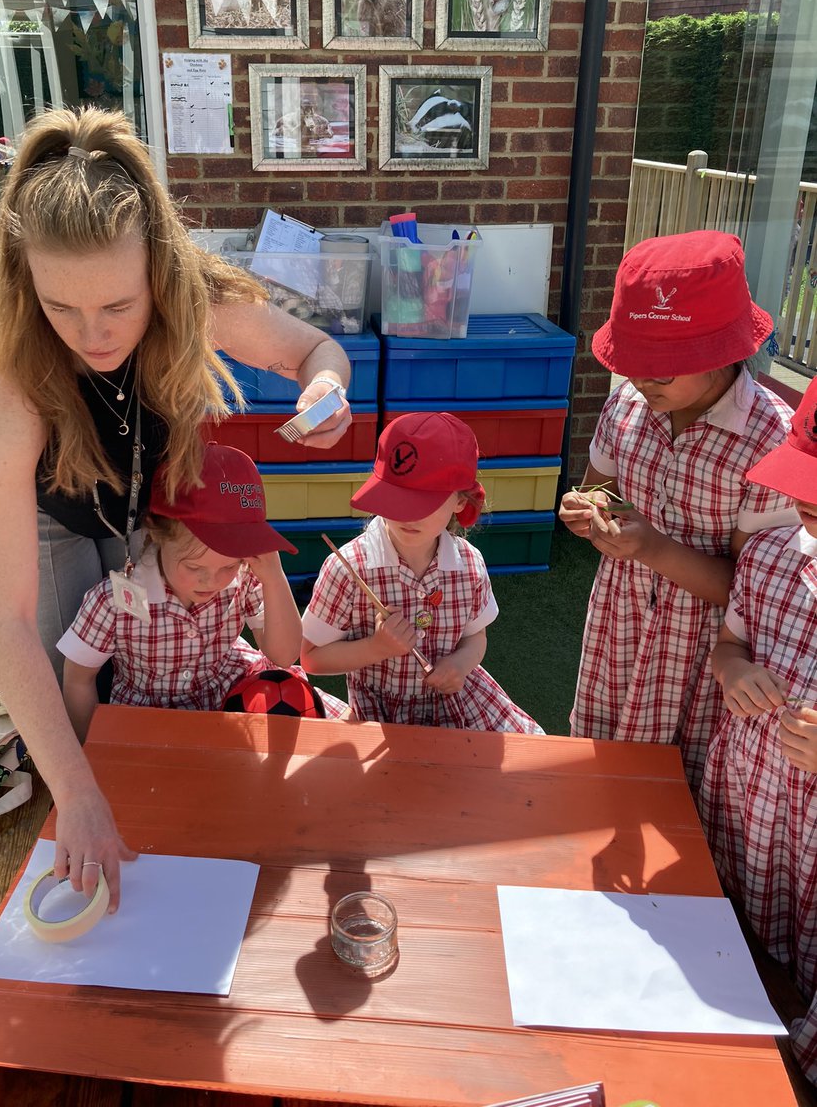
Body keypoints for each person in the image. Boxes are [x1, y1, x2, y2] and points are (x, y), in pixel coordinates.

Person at [0, 106, 352, 911]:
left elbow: (312, 349)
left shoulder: (191, 291)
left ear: (158, 271)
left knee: (158, 663)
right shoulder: (5, 378)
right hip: (53, 517)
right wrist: (80, 791)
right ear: (26, 284)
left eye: (119, 307)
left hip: (144, 506)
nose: (91, 335)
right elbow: (8, 623)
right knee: (68, 698)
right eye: (61, 308)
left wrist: (327, 386)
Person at [559, 231, 797, 792]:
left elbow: (751, 592)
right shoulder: (627, 405)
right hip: (621, 621)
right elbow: (601, 488)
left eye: (661, 369)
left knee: (685, 792)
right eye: (634, 363)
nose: (642, 381)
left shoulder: (769, 442)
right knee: (603, 768)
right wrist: (589, 509)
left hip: (709, 648)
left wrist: (651, 547)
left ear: (722, 352)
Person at [699, 378, 817, 1088]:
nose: (806, 502)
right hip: (753, 793)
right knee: (750, 937)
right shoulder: (774, 553)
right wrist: (733, 668)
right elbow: (729, 644)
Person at [59, 443, 337, 739]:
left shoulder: (245, 578)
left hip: (231, 701)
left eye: (229, 567)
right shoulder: (112, 601)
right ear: (155, 530)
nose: (212, 581)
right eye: (194, 568)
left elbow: (283, 655)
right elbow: (78, 679)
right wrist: (91, 749)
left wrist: (274, 578)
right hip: (148, 722)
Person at [299, 412, 543, 734]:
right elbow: (311, 658)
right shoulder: (348, 568)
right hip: (382, 715)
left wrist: (459, 665)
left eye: (422, 501)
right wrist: (378, 648)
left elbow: (475, 639)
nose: (405, 515)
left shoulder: (469, 564)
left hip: (461, 703)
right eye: (396, 497)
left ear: (460, 500)